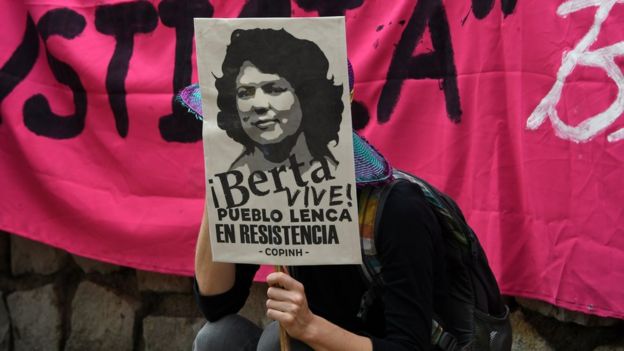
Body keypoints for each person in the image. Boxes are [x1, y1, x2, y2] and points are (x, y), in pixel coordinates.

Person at [191, 134, 449, 351]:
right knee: (218, 338)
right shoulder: (265, 185)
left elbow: (410, 346)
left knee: (280, 342)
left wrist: (310, 328)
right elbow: (217, 304)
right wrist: (219, 186)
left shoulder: (398, 209)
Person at [214, 28, 343, 173]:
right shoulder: (229, 180)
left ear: (305, 97)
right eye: (244, 93)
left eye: (274, 90)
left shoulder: (339, 172)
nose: (259, 104)